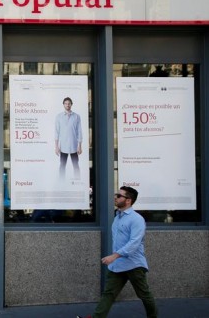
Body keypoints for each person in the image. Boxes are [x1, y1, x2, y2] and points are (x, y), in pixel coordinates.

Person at [78, 186, 158, 318]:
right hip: (118, 265)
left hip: (134, 264)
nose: (115, 197)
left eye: (119, 196)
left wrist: (114, 256)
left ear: (128, 200)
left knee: (144, 294)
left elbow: (134, 243)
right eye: (116, 194)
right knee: (109, 293)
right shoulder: (117, 218)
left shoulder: (136, 219)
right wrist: (116, 258)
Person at [54, 97, 82, 180]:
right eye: (66, 103)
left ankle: (77, 181)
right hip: (63, 146)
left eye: (69, 103)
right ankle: (61, 182)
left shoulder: (77, 116)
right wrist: (56, 147)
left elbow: (79, 131)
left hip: (74, 145)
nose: (67, 105)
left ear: (71, 104)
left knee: (76, 165)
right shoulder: (59, 117)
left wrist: (79, 146)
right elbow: (56, 132)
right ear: (63, 105)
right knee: (62, 166)